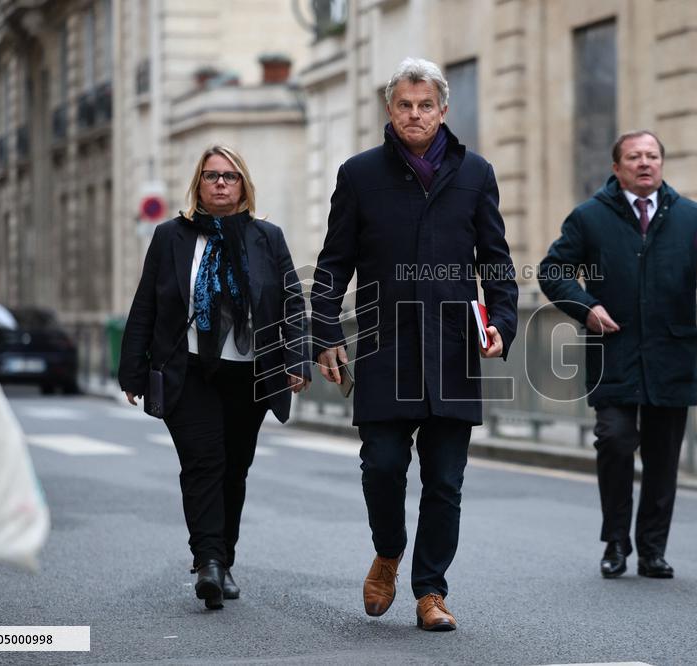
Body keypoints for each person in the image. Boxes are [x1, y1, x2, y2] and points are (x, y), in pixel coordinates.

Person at [310, 57, 518, 631]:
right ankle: (388, 551)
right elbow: (333, 265)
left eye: (426, 105)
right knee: (381, 466)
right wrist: (324, 332)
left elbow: (496, 263)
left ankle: (431, 591)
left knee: (445, 480)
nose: (415, 114)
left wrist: (503, 319)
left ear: (443, 110)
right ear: (389, 109)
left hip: (453, 349)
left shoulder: (476, 174)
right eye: (405, 104)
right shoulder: (358, 175)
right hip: (384, 345)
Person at [538, 130, 697, 580]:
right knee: (615, 441)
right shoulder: (589, 218)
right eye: (634, 156)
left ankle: (653, 550)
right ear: (616, 168)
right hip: (613, 353)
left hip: (669, 355)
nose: (644, 163)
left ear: (662, 163)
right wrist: (586, 307)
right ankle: (616, 542)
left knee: (662, 456)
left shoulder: (690, 216)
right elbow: (552, 270)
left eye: (652, 156)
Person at [118, 145, 310, 610]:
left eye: (229, 176)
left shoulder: (267, 237)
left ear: (243, 184)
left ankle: (223, 559)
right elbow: (146, 302)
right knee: (203, 463)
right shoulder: (171, 237)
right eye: (211, 176)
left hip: (251, 374)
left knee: (234, 467)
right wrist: (132, 370)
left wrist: (297, 361)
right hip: (189, 372)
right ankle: (206, 561)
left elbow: (291, 303)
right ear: (198, 185)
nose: (220, 183)